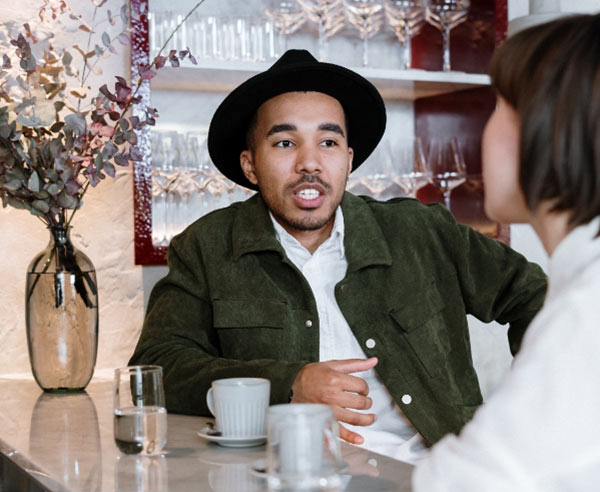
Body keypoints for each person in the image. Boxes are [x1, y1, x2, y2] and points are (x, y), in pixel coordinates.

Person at [129, 49, 546, 462]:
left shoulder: (422, 231)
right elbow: (157, 369)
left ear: (348, 160)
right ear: (250, 165)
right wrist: (289, 383)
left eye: (328, 142)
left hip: (435, 474)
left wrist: (529, 409)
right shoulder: (206, 246)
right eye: (285, 142)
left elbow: (538, 297)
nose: (309, 163)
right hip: (287, 473)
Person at [412, 13, 600, 490]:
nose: (483, 131)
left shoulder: (585, 316)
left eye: (499, 105)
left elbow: (463, 484)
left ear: (548, 127)